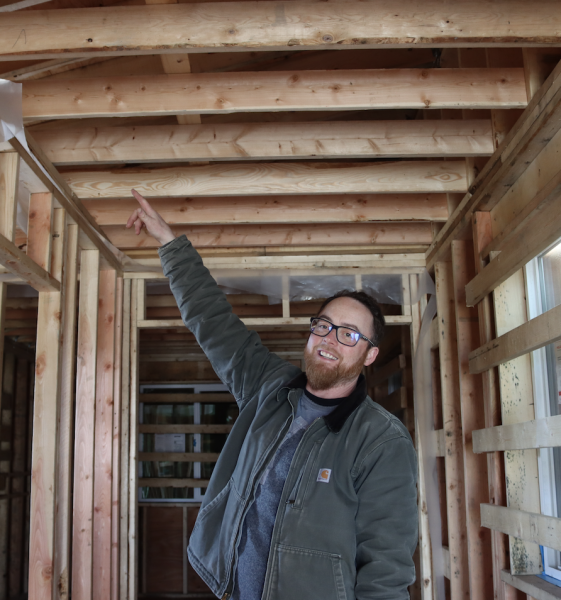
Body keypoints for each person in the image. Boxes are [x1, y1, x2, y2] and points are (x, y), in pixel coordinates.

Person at [127, 190, 418, 600]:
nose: (329, 341)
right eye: (323, 325)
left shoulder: (381, 440)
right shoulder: (269, 388)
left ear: (370, 354)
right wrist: (170, 244)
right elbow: (214, 323)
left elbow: (386, 569)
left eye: (348, 334)